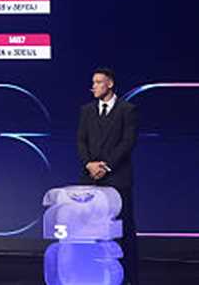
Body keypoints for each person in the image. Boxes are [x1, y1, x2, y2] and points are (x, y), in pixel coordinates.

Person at [77, 67, 138, 285]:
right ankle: (93, 276)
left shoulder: (127, 110)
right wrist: (89, 164)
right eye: (93, 82)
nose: (93, 86)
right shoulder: (86, 110)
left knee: (123, 230)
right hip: (91, 179)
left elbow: (127, 142)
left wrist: (106, 166)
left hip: (117, 179)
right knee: (91, 229)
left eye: (98, 82)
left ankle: (129, 278)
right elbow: (81, 141)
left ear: (110, 84)